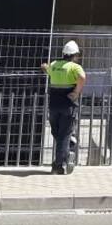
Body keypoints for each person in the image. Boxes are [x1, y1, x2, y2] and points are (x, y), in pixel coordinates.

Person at [42, 41, 86, 174]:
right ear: (75, 55)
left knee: (57, 133)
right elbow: (82, 77)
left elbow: (46, 68)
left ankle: (66, 153)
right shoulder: (75, 67)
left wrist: (44, 66)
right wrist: (76, 92)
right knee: (64, 135)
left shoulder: (54, 64)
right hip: (67, 105)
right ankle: (59, 164)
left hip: (54, 105)